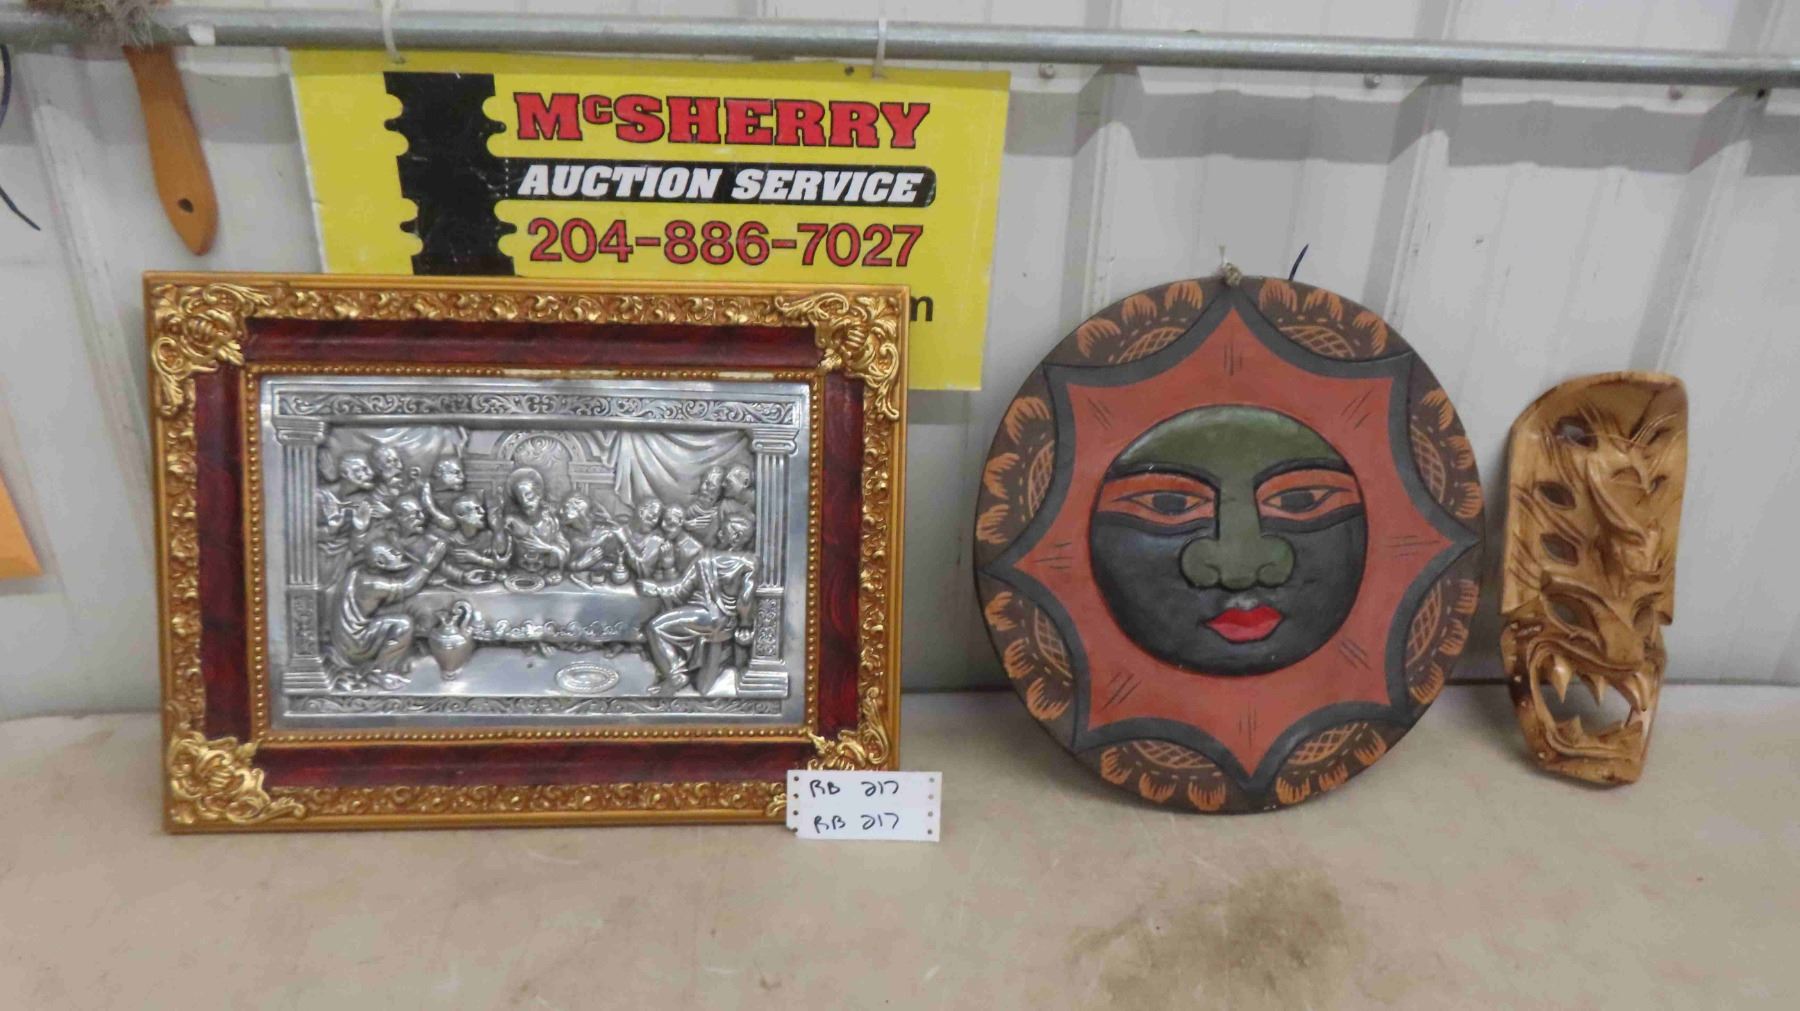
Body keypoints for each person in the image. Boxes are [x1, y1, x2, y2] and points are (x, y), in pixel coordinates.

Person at [638, 513, 757, 695]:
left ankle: (675, 675)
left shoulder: (705, 559)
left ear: (735, 537)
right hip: (725, 620)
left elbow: (679, 590)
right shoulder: (750, 562)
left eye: (723, 531)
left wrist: (655, 589)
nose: (718, 534)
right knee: (702, 687)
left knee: (655, 627)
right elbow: (745, 598)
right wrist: (744, 623)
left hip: (705, 616)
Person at [327, 536, 447, 690]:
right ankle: (380, 671)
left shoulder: (356, 571)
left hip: (345, 638)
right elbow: (408, 587)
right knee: (404, 625)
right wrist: (427, 566)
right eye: (392, 552)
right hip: (355, 643)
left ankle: (401, 657)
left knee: (402, 610)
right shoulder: (372, 584)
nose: (398, 554)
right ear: (380, 562)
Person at [499, 467, 569, 581]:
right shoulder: (511, 522)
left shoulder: (550, 522)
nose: (525, 502)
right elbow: (501, 552)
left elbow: (564, 552)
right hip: (516, 575)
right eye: (520, 498)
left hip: (544, 575)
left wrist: (547, 548)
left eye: (529, 496)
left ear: (539, 495)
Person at [438, 494, 509, 586]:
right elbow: (439, 565)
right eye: (476, 509)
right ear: (461, 515)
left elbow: (502, 563)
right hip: (459, 587)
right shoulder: (451, 540)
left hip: (489, 587)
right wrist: (462, 576)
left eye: (481, 508)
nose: (483, 512)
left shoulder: (488, 536)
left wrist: (477, 559)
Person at [418, 455, 468, 532]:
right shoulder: (421, 487)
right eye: (456, 473)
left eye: (462, 473)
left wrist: (430, 507)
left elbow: (451, 524)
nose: (462, 477)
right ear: (438, 473)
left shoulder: (460, 498)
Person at [683, 467, 727, 546]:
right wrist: (686, 525)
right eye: (704, 483)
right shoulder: (691, 509)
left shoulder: (720, 514)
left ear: (719, 492)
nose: (704, 488)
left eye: (711, 485)